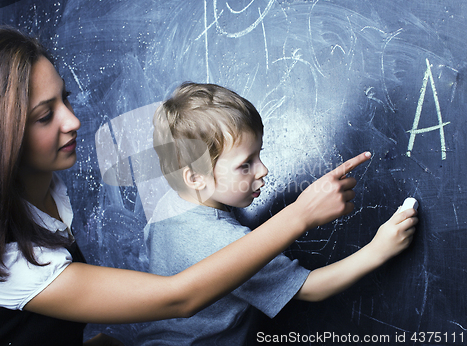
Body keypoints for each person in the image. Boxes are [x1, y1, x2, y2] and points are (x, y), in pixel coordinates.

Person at [0, 26, 372, 346]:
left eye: (65, 99)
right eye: (44, 116)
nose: (72, 121)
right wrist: (301, 214)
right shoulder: (8, 261)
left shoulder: (46, 188)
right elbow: (179, 297)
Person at [136, 82, 418, 345]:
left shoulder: (168, 206)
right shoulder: (225, 242)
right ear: (196, 178)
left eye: (259, 154)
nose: (263, 170)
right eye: (245, 164)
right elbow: (310, 288)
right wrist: (378, 250)